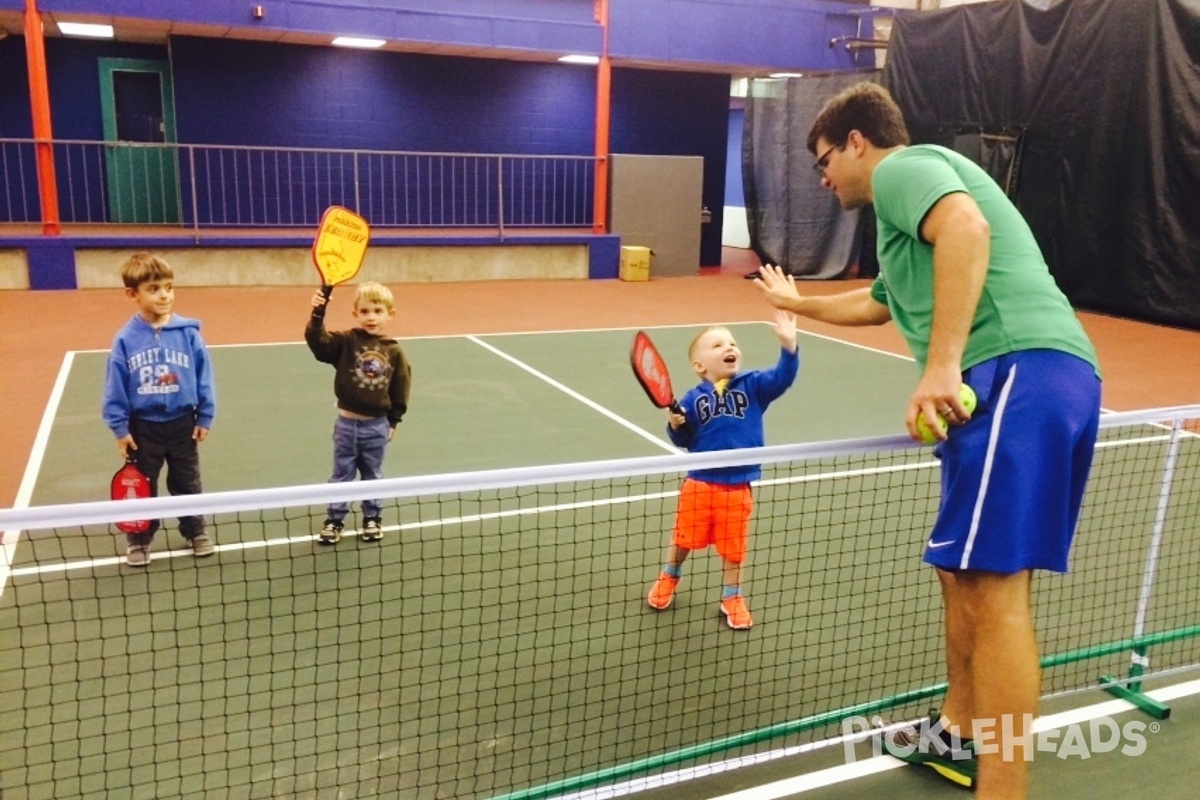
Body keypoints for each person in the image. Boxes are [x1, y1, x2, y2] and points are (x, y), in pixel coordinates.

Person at [753, 82, 1101, 799]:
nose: (822, 177)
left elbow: (967, 231)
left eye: (824, 159)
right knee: (963, 577)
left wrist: (942, 366)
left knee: (995, 591)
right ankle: (956, 730)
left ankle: (1001, 788)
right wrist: (798, 304)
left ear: (858, 141)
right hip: (1021, 382)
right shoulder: (897, 220)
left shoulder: (904, 169)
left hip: (1015, 372)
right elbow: (879, 303)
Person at [647, 311, 799, 630]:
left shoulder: (754, 385)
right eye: (717, 345)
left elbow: (782, 378)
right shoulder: (692, 399)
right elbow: (686, 440)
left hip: (737, 487)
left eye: (731, 342)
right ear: (700, 366)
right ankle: (669, 576)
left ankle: (732, 596)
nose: (729, 347)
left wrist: (789, 347)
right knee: (684, 537)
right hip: (699, 484)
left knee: (734, 547)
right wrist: (675, 426)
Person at [102, 253, 217, 566]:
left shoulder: (188, 334)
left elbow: (203, 377)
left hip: (182, 423)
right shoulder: (125, 339)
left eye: (169, 287)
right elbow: (115, 386)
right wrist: (120, 428)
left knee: (187, 483)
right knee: (142, 486)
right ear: (133, 294)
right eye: (154, 289)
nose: (164, 294)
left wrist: (205, 415)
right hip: (143, 429)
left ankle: (195, 531)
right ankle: (139, 539)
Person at [306, 281, 411, 544]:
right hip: (346, 425)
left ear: (390, 314)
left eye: (377, 311)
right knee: (341, 473)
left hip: (376, 426)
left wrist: (394, 421)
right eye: (365, 311)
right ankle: (335, 520)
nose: (371, 317)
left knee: (372, 474)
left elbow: (401, 387)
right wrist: (317, 314)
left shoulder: (395, 351)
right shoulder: (345, 342)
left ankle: (372, 517)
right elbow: (318, 343)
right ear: (356, 314)